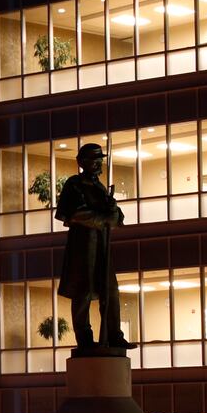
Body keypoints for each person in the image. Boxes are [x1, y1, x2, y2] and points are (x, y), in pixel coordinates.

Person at [54, 142, 132, 349]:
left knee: (111, 291)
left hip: (102, 247)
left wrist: (113, 212)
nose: (98, 164)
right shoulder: (74, 184)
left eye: (100, 161)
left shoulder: (100, 187)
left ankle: (114, 335)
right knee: (83, 292)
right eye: (93, 160)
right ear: (81, 162)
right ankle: (85, 339)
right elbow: (76, 214)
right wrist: (104, 218)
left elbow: (117, 218)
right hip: (82, 247)